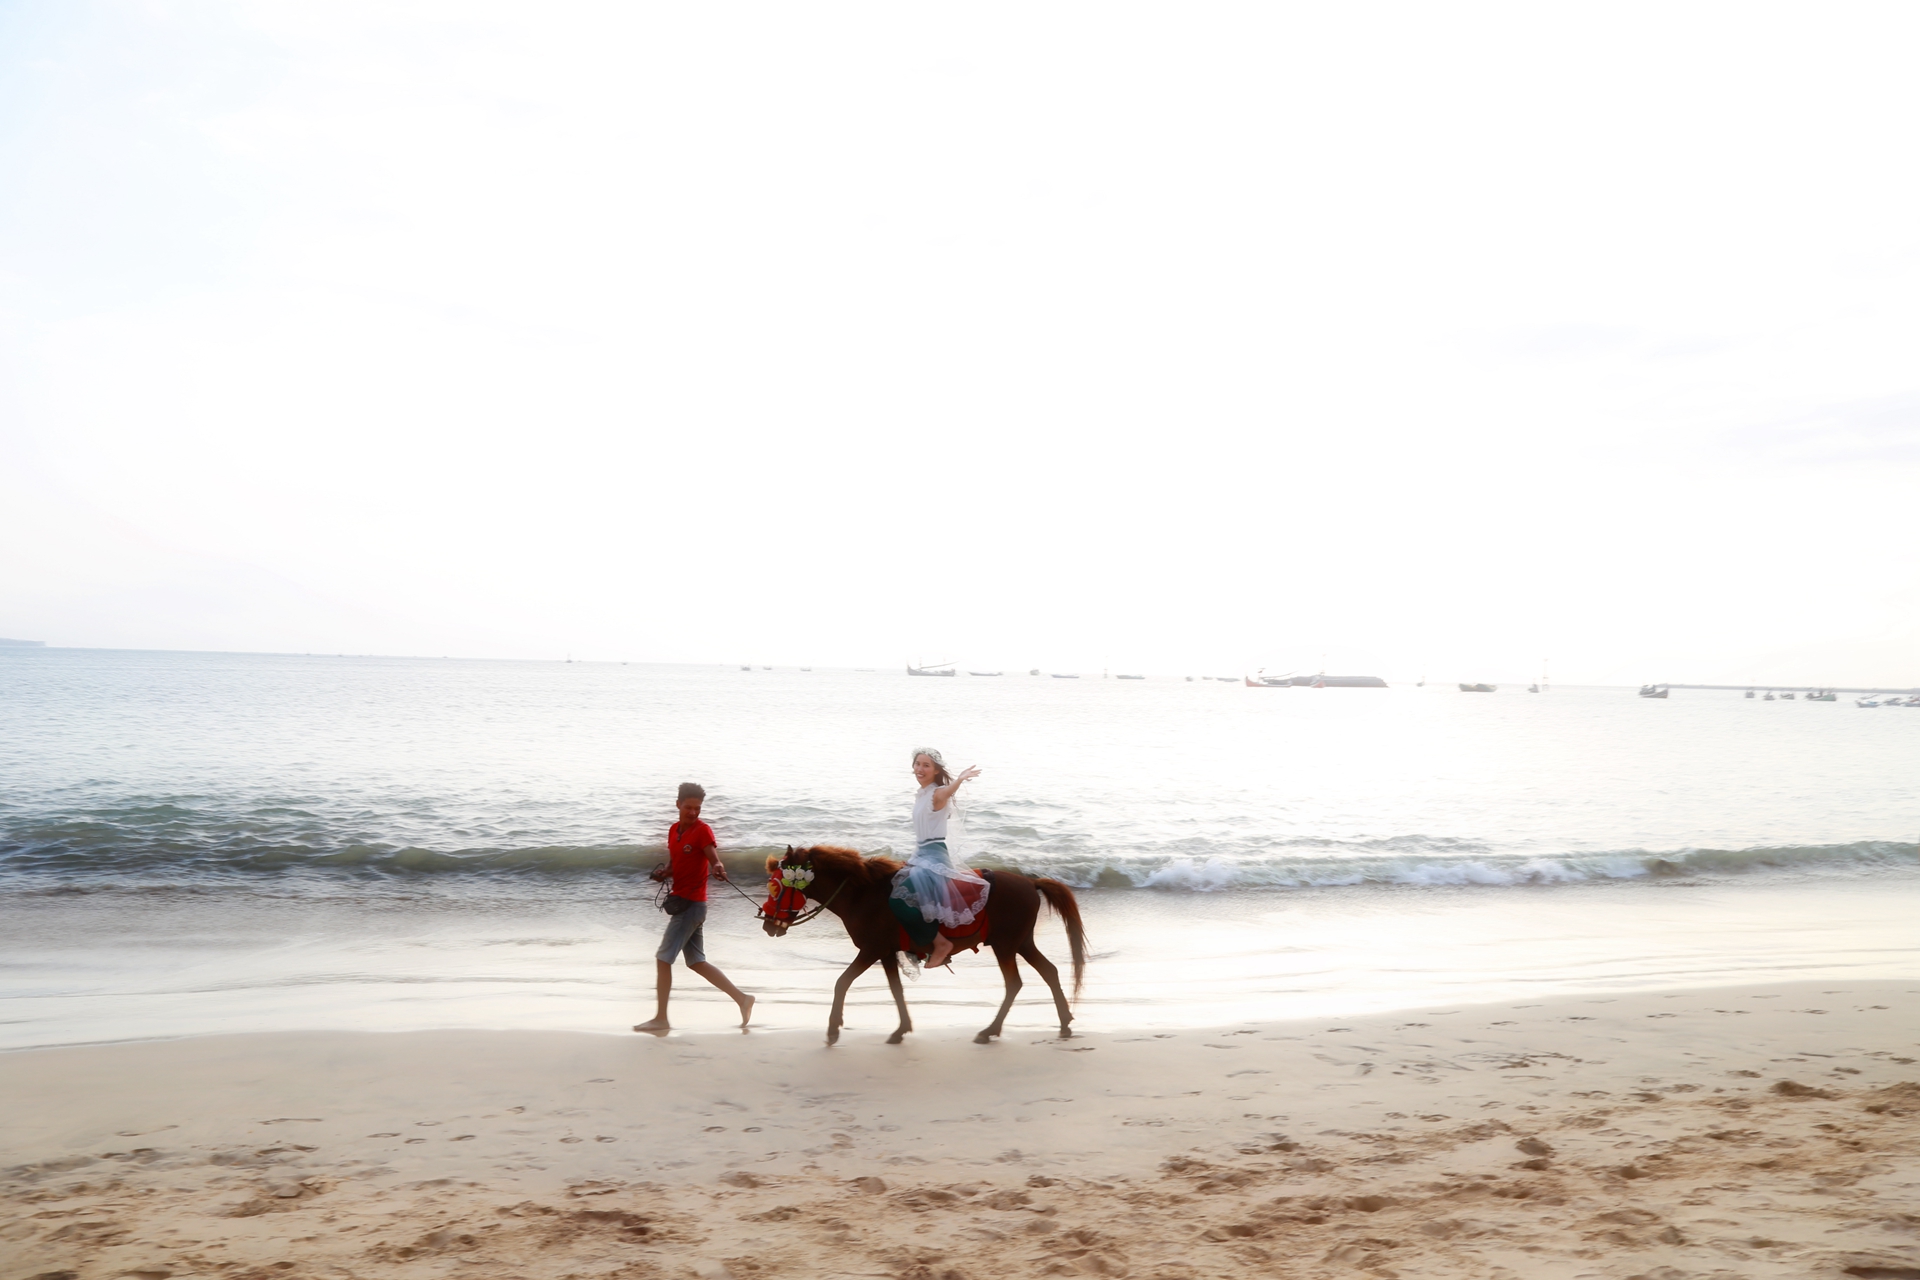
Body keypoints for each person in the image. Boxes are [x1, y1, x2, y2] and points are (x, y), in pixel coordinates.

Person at [633, 782, 754, 1033]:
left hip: (692, 905)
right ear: (678, 805)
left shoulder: (703, 831)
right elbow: (675, 863)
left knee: (662, 959)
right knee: (696, 961)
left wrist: (718, 867)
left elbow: (713, 858)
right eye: (688, 807)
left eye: (697, 808)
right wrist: (663, 873)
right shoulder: (674, 830)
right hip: (685, 904)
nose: (693, 812)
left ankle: (661, 1019)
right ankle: (743, 999)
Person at [891, 748, 990, 968]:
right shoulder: (922, 794)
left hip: (934, 858)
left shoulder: (936, 794)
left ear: (936, 771)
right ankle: (914, 946)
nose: (920, 769)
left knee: (897, 901)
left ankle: (940, 944)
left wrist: (959, 781)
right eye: (918, 764)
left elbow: (947, 793)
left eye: (926, 765)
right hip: (922, 854)